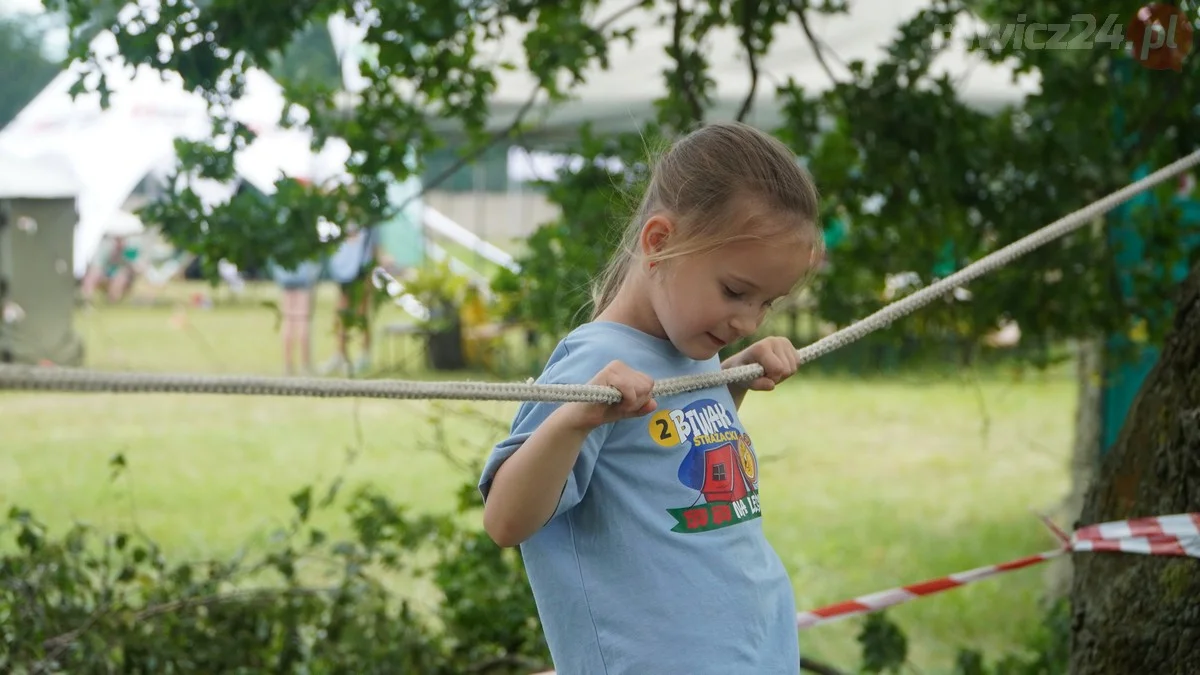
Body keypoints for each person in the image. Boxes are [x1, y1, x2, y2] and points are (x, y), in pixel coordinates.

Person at [478, 122, 823, 674]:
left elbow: (665, 455)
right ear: (659, 242)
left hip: (754, 651)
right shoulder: (596, 365)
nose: (746, 320)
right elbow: (505, 521)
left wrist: (729, 379)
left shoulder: (692, 349)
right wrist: (576, 420)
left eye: (767, 302)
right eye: (736, 291)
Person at [322, 222, 388, 376]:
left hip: (362, 270)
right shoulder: (341, 215)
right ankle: (340, 354)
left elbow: (375, 246)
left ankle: (364, 355)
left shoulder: (370, 218)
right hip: (345, 270)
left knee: (361, 313)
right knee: (341, 312)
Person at [268, 257, 322, 376]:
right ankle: (305, 365)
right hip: (303, 280)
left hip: (286, 278)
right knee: (302, 321)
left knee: (288, 321)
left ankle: (288, 365)